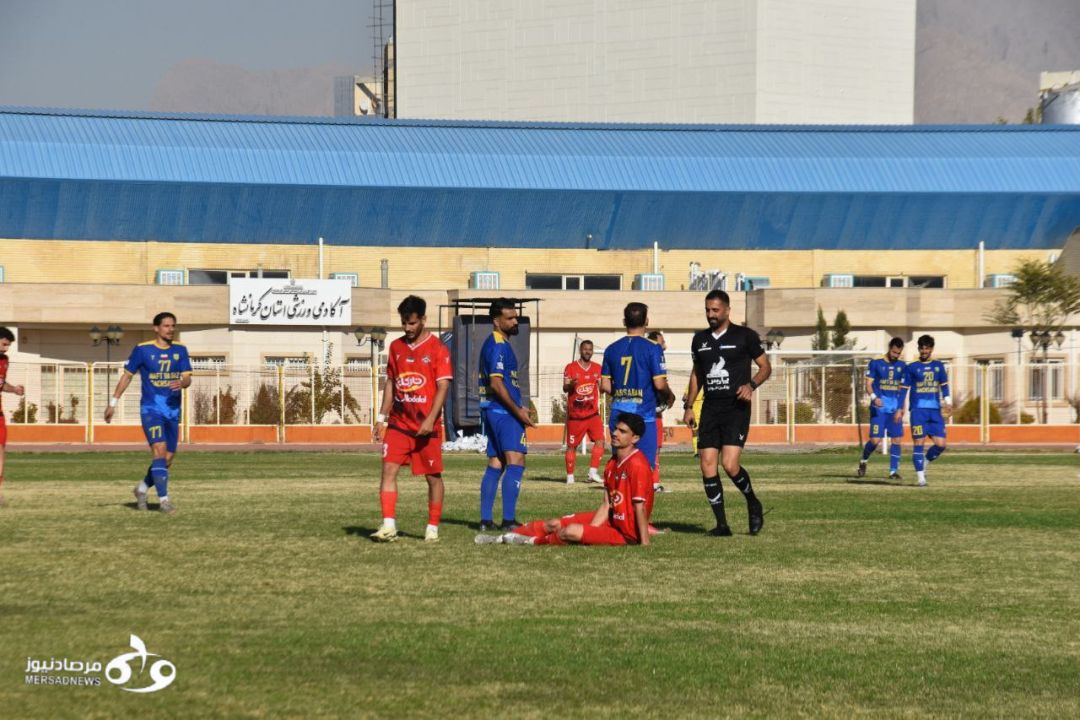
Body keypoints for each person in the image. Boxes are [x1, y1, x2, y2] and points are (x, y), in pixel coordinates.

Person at [475, 412, 652, 546]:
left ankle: (532, 542)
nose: (615, 433)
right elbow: (607, 504)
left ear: (635, 438)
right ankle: (498, 538)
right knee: (553, 524)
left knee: (571, 531)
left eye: (622, 431)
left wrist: (644, 543)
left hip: (625, 534)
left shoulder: (637, 464)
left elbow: (640, 507)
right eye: (615, 429)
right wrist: (591, 532)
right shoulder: (612, 463)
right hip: (612, 520)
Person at [683, 290, 771, 536]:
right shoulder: (699, 340)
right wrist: (689, 406)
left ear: (727, 310)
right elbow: (697, 374)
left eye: (715, 310)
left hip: (736, 408)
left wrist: (751, 385)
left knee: (730, 465)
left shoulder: (745, 336)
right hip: (710, 408)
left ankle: (753, 502)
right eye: (707, 310)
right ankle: (722, 525)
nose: (711, 314)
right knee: (707, 465)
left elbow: (765, 367)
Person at [371, 295, 453, 543]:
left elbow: (443, 387)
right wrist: (381, 417)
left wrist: (430, 419)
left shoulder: (438, 349)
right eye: (404, 323)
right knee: (388, 469)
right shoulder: (395, 347)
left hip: (426, 427)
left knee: (433, 477)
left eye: (412, 323)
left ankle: (432, 527)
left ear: (423, 320)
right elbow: (391, 383)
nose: (407, 328)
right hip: (399, 424)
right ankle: (389, 526)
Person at [105, 312, 192, 514]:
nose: (171, 329)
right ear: (156, 328)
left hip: (172, 411)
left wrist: (183, 383)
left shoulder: (180, 350)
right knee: (159, 450)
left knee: (167, 459)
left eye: (173, 326)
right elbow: (127, 377)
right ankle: (164, 501)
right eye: (166, 326)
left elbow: (187, 377)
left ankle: (142, 489)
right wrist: (113, 403)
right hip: (151, 409)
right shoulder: (143, 350)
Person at [477, 298, 536, 531]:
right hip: (504, 412)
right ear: (496, 321)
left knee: (496, 462)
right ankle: (509, 520)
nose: (514, 322)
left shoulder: (497, 343)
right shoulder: (498, 345)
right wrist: (517, 410)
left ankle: (485, 520)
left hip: (494, 410)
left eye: (515, 317)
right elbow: (496, 382)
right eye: (509, 318)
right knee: (516, 460)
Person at [600, 303, 675, 477]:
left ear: (624, 321)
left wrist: (623, 393)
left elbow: (604, 385)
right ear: (647, 321)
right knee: (645, 469)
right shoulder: (653, 348)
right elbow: (660, 384)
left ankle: (618, 495)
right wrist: (670, 396)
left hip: (618, 414)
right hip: (643, 416)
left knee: (620, 467)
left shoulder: (611, 349)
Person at [902, 334, 951, 487]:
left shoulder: (939, 366)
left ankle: (925, 462)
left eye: (927, 348)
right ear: (919, 349)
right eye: (922, 348)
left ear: (931, 349)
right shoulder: (912, 367)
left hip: (935, 411)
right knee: (919, 442)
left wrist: (948, 401)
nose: (924, 351)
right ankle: (921, 478)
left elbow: (944, 385)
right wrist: (900, 408)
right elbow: (904, 389)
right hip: (918, 411)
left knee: (941, 444)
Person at [858, 337, 907, 480]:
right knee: (875, 440)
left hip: (894, 409)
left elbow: (902, 389)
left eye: (898, 353)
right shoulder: (876, 363)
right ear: (889, 348)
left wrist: (901, 407)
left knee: (896, 439)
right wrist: (874, 397)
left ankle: (893, 471)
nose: (895, 355)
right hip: (879, 409)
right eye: (894, 352)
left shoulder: (902, 366)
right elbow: (868, 384)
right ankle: (863, 460)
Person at [562, 339, 605, 484]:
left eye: (590, 349)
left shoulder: (597, 368)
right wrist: (571, 385)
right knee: (572, 447)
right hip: (576, 416)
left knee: (600, 441)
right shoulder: (571, 367)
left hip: (592, 415)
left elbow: (601, 388)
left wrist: (607, 385)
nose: (588, 352)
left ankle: (592, 472)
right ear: (580, 350)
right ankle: (570, 477)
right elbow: (565, 388)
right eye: (585, 349)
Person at [0, 327, 26, 507]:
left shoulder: (4, 360)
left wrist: (14, 389)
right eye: (3, 344)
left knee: (1, 449)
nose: (6, 348)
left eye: (8, 345)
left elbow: (1, 384)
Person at [646, 330, 668, 492]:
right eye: (662, 342)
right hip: (649, 412)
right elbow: (659, 385)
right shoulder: (653, 357)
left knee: (655, 448)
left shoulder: (656, 357)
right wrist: (668, 397)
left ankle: (653, 482)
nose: (665, 346)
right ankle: (651, 482)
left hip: (654, 412)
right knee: (651, 448)